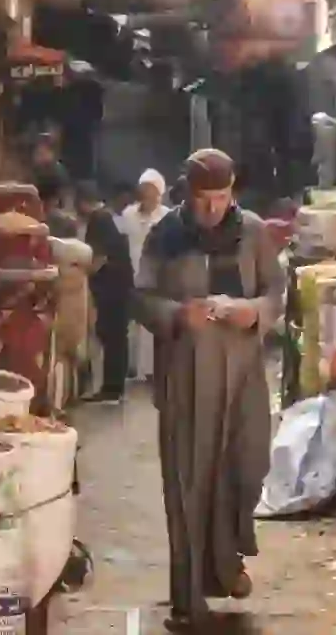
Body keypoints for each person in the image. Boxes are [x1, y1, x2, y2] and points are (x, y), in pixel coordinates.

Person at [132, 148, 284, 628]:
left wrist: (253, 311)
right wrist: (178, 315)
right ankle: (187, 596)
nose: (214, 208)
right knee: (189, 482)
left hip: (243, 372)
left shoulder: (254, 231)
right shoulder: (166, 234)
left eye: (222, 197)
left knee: (246, 466)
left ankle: (225, 564)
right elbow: (139, 296)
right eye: (204, 199)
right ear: (187, 193)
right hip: (186, 372)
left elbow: (277, 291)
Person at [77, 181, 133, 404]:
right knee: (116, 337)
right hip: (119, 286)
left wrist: (80, 275)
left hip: (112, 289)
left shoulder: (99, 220)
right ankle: (113, 388)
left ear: (82, 202)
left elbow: (98, 259)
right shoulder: (107, 217)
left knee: (112, 337)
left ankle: (111, 389)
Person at [120, 169, 171, 380]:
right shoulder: (128, 214)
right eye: (144, 190)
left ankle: (151, 370)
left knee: (151, 324)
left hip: (155, 277)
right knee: (131, 325)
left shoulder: (167, 216)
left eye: (152, 191)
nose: (148, 195)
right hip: (129, 273)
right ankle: (132, 367)